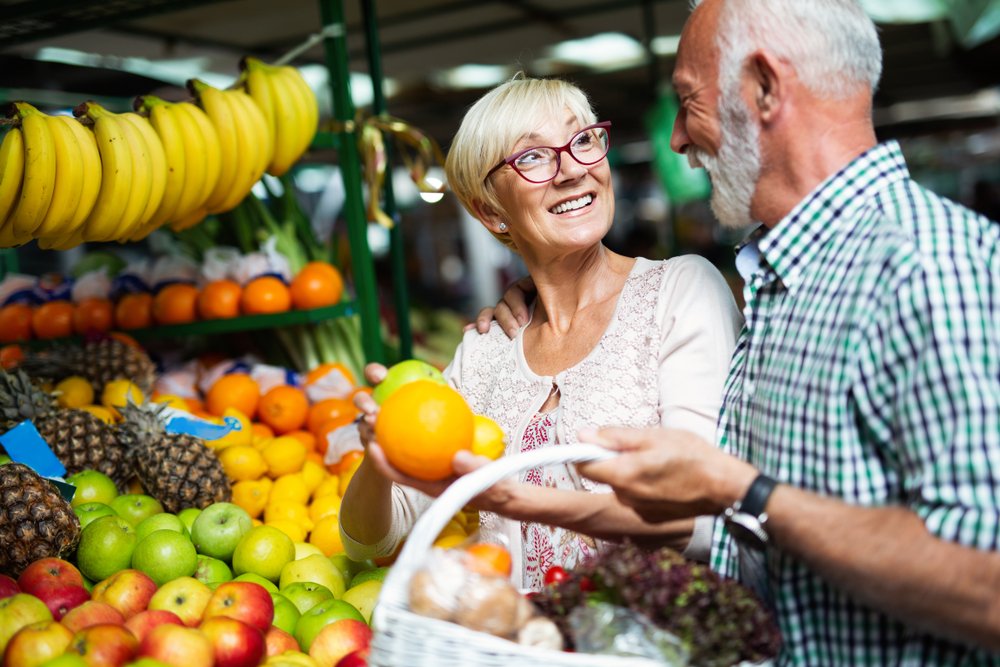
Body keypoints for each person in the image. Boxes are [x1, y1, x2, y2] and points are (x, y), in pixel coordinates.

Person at [541, 0, 999, 662]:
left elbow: (987, 582)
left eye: (687, 101)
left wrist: (742, 489)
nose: (675, 139)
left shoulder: (926, 267)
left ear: (763, 87)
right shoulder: (789, 275)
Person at [337, 75, 742, 590]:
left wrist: (526, 503)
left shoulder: (680, 293)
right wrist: (381, 449)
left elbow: (707, 514)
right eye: (531, 157)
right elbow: (371, 539)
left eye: (583, 140)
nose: (573, 170)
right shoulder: (485, 350)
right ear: (491, 212)